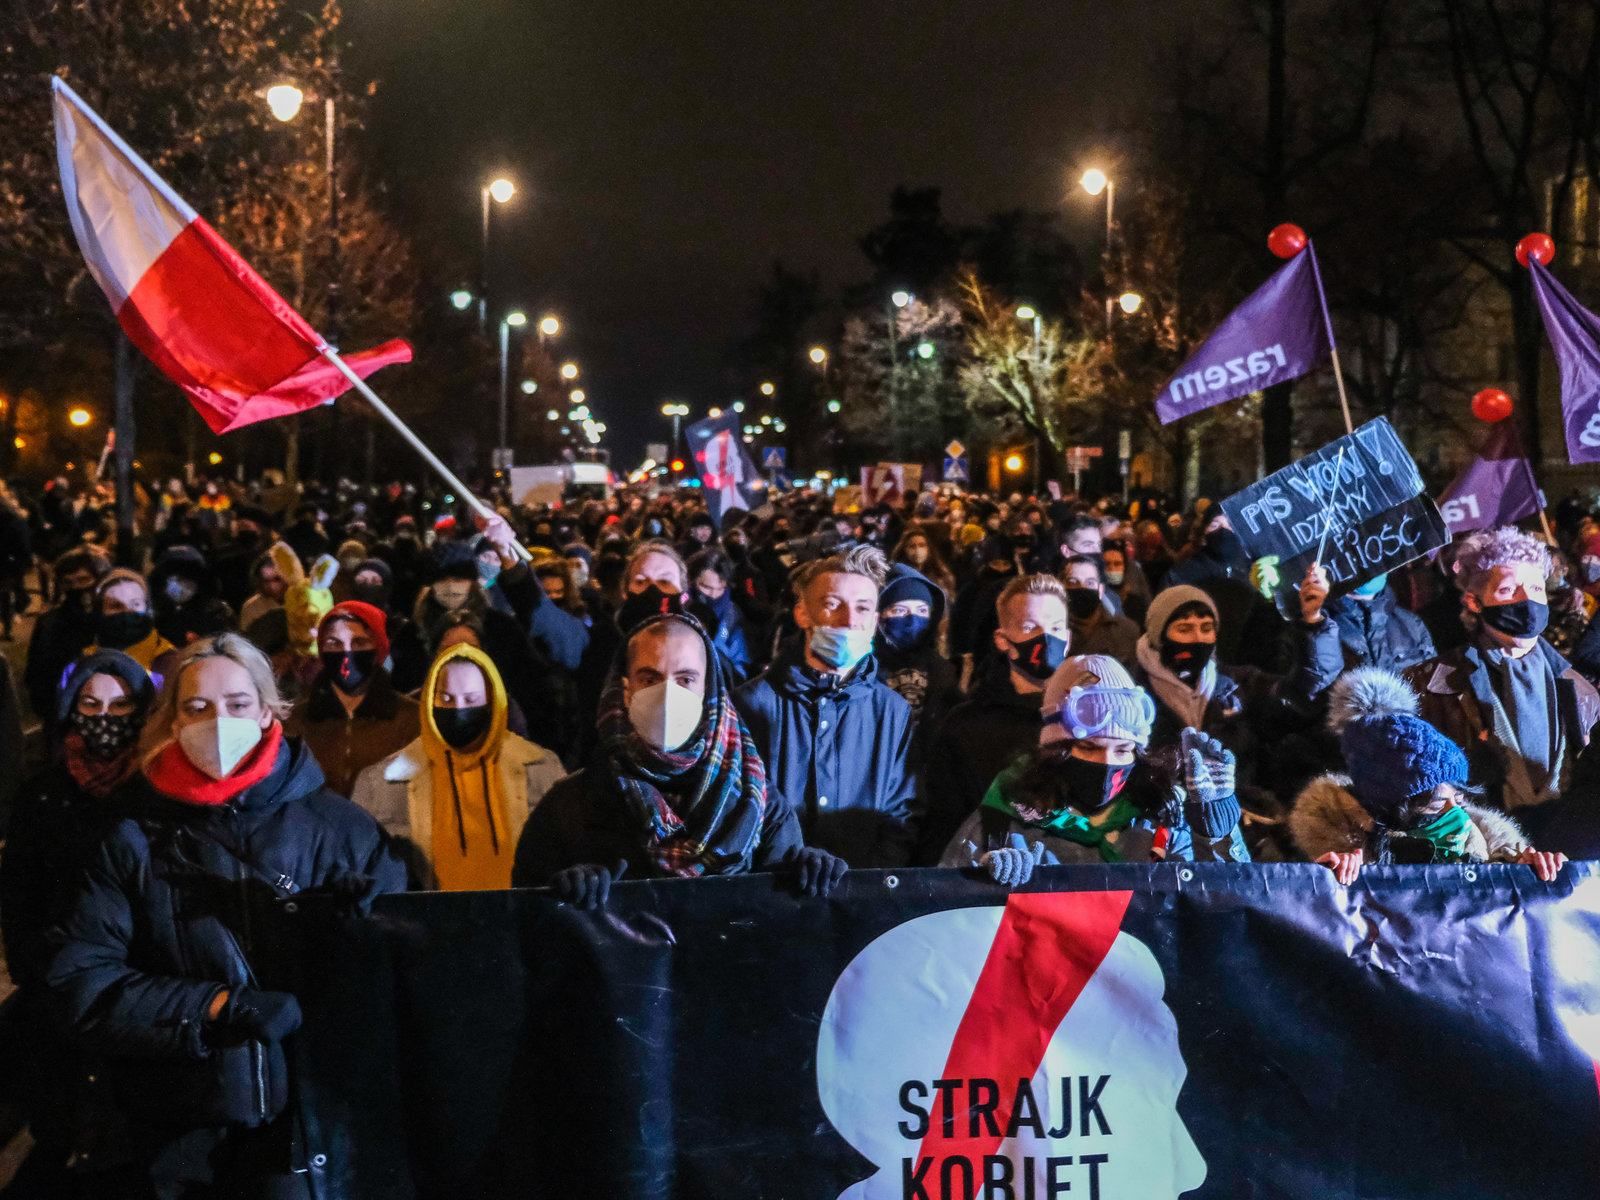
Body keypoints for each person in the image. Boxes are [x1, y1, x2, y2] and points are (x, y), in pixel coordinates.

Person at [45, 633, 404, 1199]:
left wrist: (363, 932)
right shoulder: (130, 836)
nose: (218, 722)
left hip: (308, 1131)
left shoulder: (340, 828)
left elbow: (401, 975)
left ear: (266, 712)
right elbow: (83, 986)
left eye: (237, 704)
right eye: (197, 707)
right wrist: (217, 1006)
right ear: (173, 720)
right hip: (179, 1137)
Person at [512, 614, 844, 903]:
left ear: (708, 690)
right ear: (626, 691)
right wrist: (558, 895)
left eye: (685, 679)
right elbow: (526, 916)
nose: (667, 694)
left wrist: (805, 877)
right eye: (649, 679)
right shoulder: (570, 805)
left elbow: (780, 927)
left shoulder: (759, 805)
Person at [0, 652, 154, 1195]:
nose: (104, 717)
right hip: (57, 989)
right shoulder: (43, 794)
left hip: (138, 989)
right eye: (90, 704)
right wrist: (35, 968)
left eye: (120, 705)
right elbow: (19, 895)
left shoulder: (155, 790)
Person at [940, 655, 1248, 882]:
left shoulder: (1165, 813)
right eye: (1089, 748)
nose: (1107, 763)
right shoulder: (1004, 817)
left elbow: (1224, 911)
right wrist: (981, 882)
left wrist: (1218, 832)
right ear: (1055, 751)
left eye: (1123, 749)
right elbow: (943, 918)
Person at [1404, 527, 1600, 843]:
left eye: (1535, 588)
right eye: (1508, 590)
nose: (1527, 600)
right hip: (1484, 851)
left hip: (1564, 852)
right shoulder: (1430, 685)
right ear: (1474, 601)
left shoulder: (1583, 692)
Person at [734, 544, 918, 868]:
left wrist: (868, 881)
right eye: (833, 604)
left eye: (862, 608)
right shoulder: (751, 703)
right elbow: (740, 805)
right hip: (773, 886)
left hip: (860, 890)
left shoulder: (892, 711)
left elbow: (902, 813)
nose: (849, 620)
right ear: (802, 613)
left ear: (875, 620)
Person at [1294, 666, 1565, 883]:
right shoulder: (1345, 853)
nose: (1456, 814)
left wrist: (1528, 875)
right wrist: (1329, 884)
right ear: (1390, 807)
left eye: (1458, 799)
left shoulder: (1494, 845)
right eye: (1437, 805)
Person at [352, 643, 563, 890]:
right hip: (431, 914)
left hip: (516, 912)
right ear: (429, 700)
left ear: (491, 701)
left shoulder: (540, 769)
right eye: (446, 698)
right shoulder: (382, 781)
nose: (458, 708)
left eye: (471, 699)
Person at [917, 574, 1069, 863]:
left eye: (1056, 627)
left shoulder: (1086, 722)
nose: (1045, 638)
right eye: (1029, 627)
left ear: (1068, 638)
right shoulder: (966, 725)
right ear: (1002, 639)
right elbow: (943, 822)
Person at [284, 600, 419, 797]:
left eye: (359, 642)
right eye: (334, 643)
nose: (347, 654)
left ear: (378, 647)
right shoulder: (295, 721)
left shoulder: (411, 718)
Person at [873, 561, 961, 742]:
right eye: (899, 610)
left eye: (921, 610)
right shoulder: (862, 670)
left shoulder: (943, 670)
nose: (912, 620)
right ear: (879, 616)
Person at [24, 545, 110, 721]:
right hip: (63, 716)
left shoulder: (116, 620)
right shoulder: (49, 623)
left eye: (83, 579)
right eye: (68, 582)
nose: (76, 588)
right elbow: (35, 673)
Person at [84, 568, 179, 683]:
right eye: (116, 606)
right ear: (100, 612)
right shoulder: (84, 662)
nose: (127, 612)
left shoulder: (170, 661)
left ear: (147, 609)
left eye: (136, 604)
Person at [1062, 554, 1140, 667]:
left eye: (1090, 583)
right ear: (1061, 587)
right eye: (1073, 582)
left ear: (1101, 590)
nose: (1082, 587)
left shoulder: (1127, 631)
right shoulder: (1052, 631)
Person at [237, 549, 288, 632]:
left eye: (277, 579)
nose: (272, 587)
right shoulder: (250, 609)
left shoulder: (304, 597)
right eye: (266, 581)